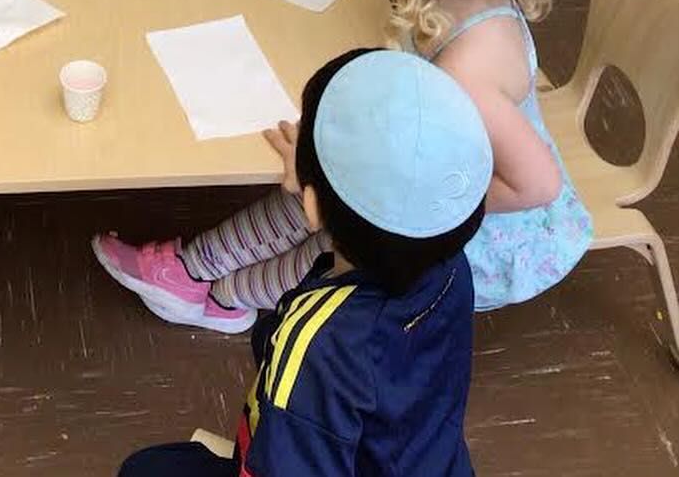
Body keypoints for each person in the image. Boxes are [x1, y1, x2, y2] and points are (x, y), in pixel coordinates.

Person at [93, 0, 590, 337]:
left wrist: (391, 201)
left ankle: (225, 297)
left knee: (334, 230)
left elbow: (539, 186)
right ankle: (193, 267)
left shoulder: (469, 72)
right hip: (432, 162)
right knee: (315, 175)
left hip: (473, 234)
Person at [114, 48, 491, 476]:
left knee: (141, 470)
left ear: (309, 205)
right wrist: (322, 182)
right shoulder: (448, 263)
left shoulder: (316, 341)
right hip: (423, 460)